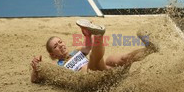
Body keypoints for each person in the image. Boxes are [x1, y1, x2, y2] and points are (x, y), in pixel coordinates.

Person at [30, 19, 158, 83]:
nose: (60, 45)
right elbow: (35, 80)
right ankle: (99, 35)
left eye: (60, 42)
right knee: (92, 61)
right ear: (52, 54)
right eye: (56, 46)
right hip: (92, 78)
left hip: (105, 70)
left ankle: (151, 49)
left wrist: (87, 34)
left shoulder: (77, 51)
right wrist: (36, 68)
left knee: (118, 59)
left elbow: (87, 47)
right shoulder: (57, 66)